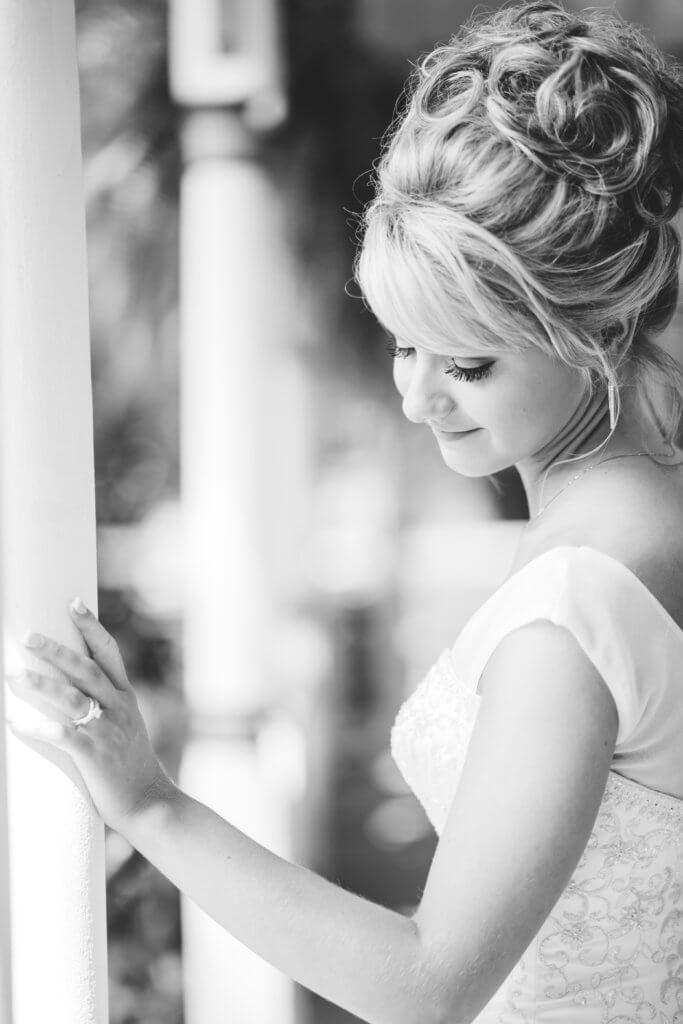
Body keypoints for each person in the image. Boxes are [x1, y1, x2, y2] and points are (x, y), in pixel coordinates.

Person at [6, 1, 683, 1021]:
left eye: (467, 363)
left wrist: (150, 802)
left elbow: (426, 986)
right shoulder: (648, 529)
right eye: (402, 344)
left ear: (591, 328)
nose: (418, 399)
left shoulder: (570, 611)